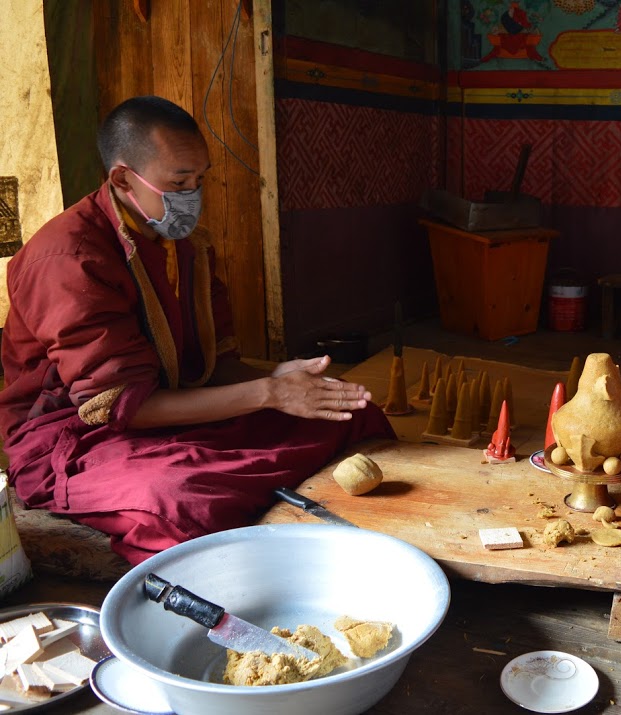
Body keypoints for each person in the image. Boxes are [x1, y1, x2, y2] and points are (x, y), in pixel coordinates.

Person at [0, 96, 395, 565]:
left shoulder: (183, 245)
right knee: (181, 500)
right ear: (123, 179)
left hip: (178, 407)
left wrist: (283, 381)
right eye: (179, 182)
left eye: (200, 179)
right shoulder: (69, 259)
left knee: (347, 414)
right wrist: (269, 392)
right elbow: (125, 407)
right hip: (80, 437)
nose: (193, 195)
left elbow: (213, 366)